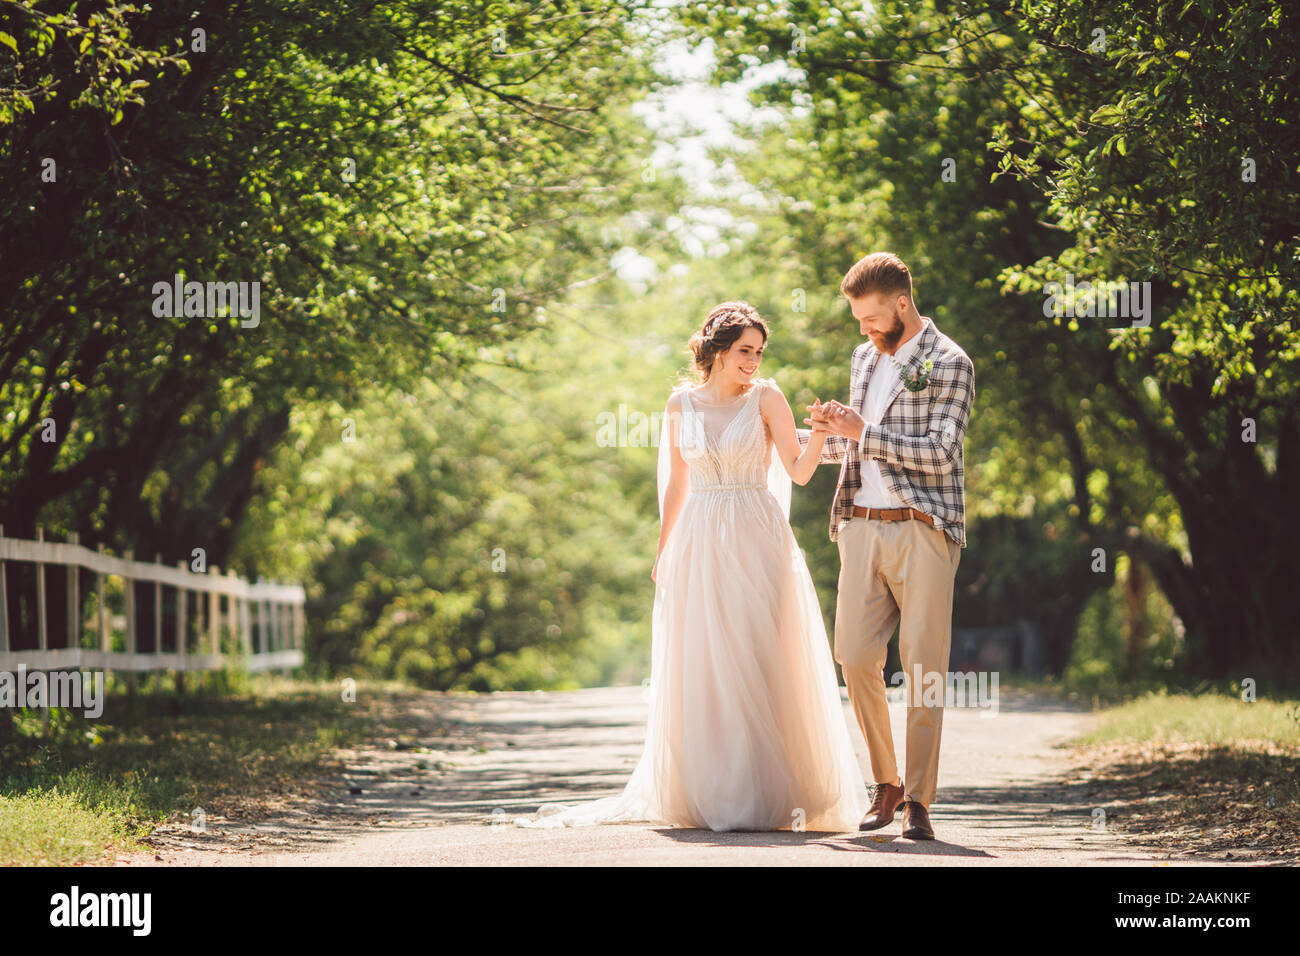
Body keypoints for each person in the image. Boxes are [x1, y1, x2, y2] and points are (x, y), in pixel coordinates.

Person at [515, 301, 867, 831]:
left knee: (762, 651)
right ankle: (715, 790)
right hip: (699, 535)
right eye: (745, 351)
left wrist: (818, 431)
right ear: (718, 351)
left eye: (759, 352)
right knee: (707, 659)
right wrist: (664, 551)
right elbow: (677, 483)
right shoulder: (680, 403)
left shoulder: (768, 396)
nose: (753, 361)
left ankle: (776, 792)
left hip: (757, 532)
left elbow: (797, 472)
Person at [801, 252, 974, 840]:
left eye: (871, 317)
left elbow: (940, 452)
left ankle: (920, 801)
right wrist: (814, 432)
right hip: (860, 526)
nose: (864, 329)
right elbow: (853, 451)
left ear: (903, 303)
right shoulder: (862, 357)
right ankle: (887, 783)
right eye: (857, 319)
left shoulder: (950, 362)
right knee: (852, 655)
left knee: (924, 667)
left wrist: (864, 433)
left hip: (925, 528)